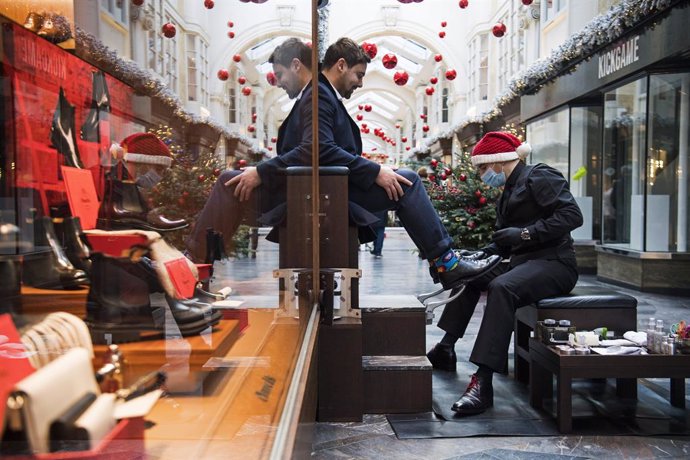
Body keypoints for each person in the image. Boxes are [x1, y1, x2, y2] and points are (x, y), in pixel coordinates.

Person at [306, 37, 499, 288]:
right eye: (359, 75)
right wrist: (375, 170)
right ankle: (447, 263)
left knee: (407, 179)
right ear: (340, 65)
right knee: (408, 181)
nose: (361, 83)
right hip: (330, 192)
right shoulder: (320, 96)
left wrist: (375, 169)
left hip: (334, 187)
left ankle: (445, 260)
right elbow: (321, 149)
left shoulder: (322, 94)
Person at [426, 131, 583, 416]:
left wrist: (524, 234)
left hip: (555, 264)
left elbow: (572, 216)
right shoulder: (509, 188)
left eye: (483, 168)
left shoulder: (540, 175)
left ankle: (483, 382)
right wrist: (482, 253)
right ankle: (446, 348)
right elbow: (505, 239)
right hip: (524, 261)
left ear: (498, 162)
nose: (482, 174)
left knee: (502, 287)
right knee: (470, 274)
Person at [185, 37, 312, 262]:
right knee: (231, 183)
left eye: (280, 75)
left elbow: (308, 150)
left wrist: (261, 172)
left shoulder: (313, 98)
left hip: (298, 194)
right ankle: (201, 259)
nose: (279, 83)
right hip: (297, 188)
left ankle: (196, 259)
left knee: (228, 182)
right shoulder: (309, 97)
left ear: (296, 65)